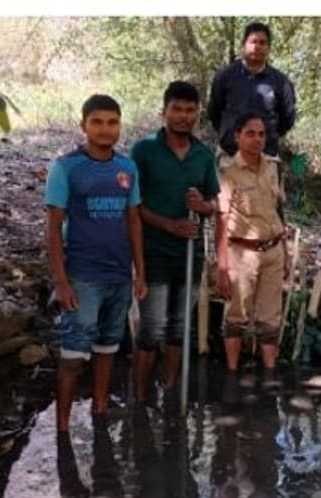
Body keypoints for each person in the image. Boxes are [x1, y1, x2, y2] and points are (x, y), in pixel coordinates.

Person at [44, 94, 147, 433]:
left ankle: (100, 412)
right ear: (83, 126)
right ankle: (61, 428)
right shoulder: (67, 167)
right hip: (82, 277)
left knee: (108, 348)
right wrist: (61, 281)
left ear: (120, 125)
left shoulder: (127, 168)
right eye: (97, 122)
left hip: (118, 275)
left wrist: (139, 273)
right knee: (74, 354)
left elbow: (133, 221)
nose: (105, 129)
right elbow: (54, 227)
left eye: (112, 122)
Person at [130, 81, 221, 404]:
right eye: (176, 109)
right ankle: (139, 398)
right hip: (153, 253)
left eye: (190, 110)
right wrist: (169, 224)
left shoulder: (203, 156)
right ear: (164, 111)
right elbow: (135, 206)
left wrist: (203, 207)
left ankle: (169, 391)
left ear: (198, 114)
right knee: (151, 327)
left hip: (189, 256)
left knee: (179, 327)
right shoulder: (144, 151)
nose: (183, 116)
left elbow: (214, 205)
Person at [215, 113, 288, 373]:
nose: (257, 139)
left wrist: (286, 254)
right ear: (237, 136)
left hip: (273, 251)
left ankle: (269, 375)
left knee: (270, 319)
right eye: (250, 133)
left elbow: (278, 210)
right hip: (241, 253)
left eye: (261, 134)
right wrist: (222, 268)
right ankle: (232, 375)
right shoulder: (228, 172)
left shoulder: (273, 167)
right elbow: (221, 220)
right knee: (236, 316)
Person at [206, 21, 297, 158]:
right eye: (253, 42)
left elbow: (287, 118)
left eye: (262, 43)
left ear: (268, 48)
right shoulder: (225, 76)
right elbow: (214, 112)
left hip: (266, 157)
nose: (257, 46)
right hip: (230, 156)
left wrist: (269, 136)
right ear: (243, 45)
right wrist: (229, 134)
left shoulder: (281, 82)